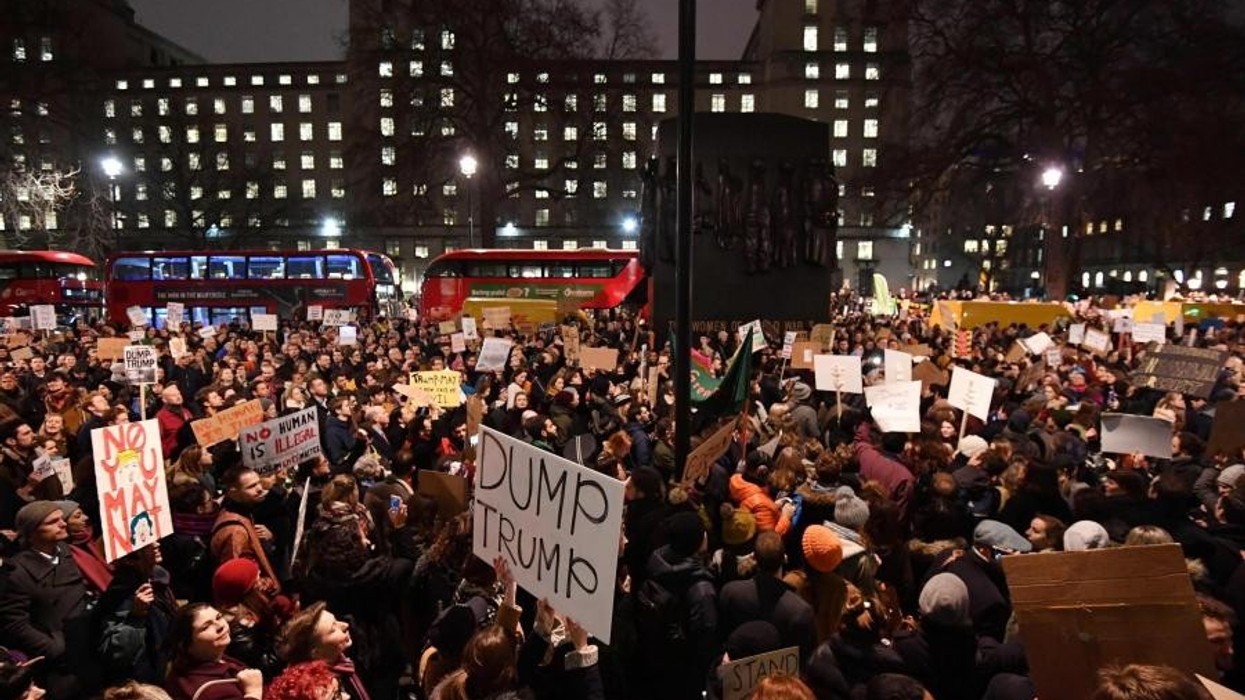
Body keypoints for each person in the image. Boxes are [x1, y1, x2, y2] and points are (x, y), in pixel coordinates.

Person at [0, 501, 98, 697]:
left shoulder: (66, 552)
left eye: (62, 518)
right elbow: (15, 622)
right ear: (33, 532)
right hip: (60, 663)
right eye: (52, 522)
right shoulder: (18, 572)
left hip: (85, 644)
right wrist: (55, 648)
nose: (62, 524)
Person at [163, 604, 265, 700]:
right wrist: (253, 693)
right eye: (206, 627)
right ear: (185, 644)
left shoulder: (212, 655)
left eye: (218, 617)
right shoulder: (210, 691)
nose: (220, 626)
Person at [211, 467, 282, 597]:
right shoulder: (235, 532)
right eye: (251, 486)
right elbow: (235, 581)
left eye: (259, 482)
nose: (260, 488)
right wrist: (266, 584)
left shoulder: (244, 512)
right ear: (233, 493)